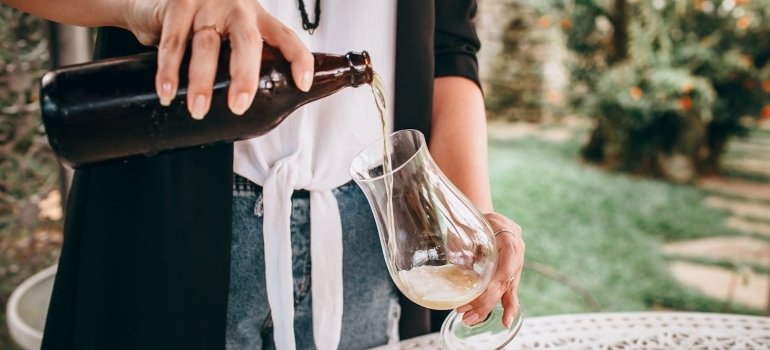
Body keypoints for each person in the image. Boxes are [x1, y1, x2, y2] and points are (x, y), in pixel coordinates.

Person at [3, 0, 526, 349]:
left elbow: (449, 50)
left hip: (373, 240)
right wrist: (149, 5)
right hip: (171, 225)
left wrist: (473, 219)